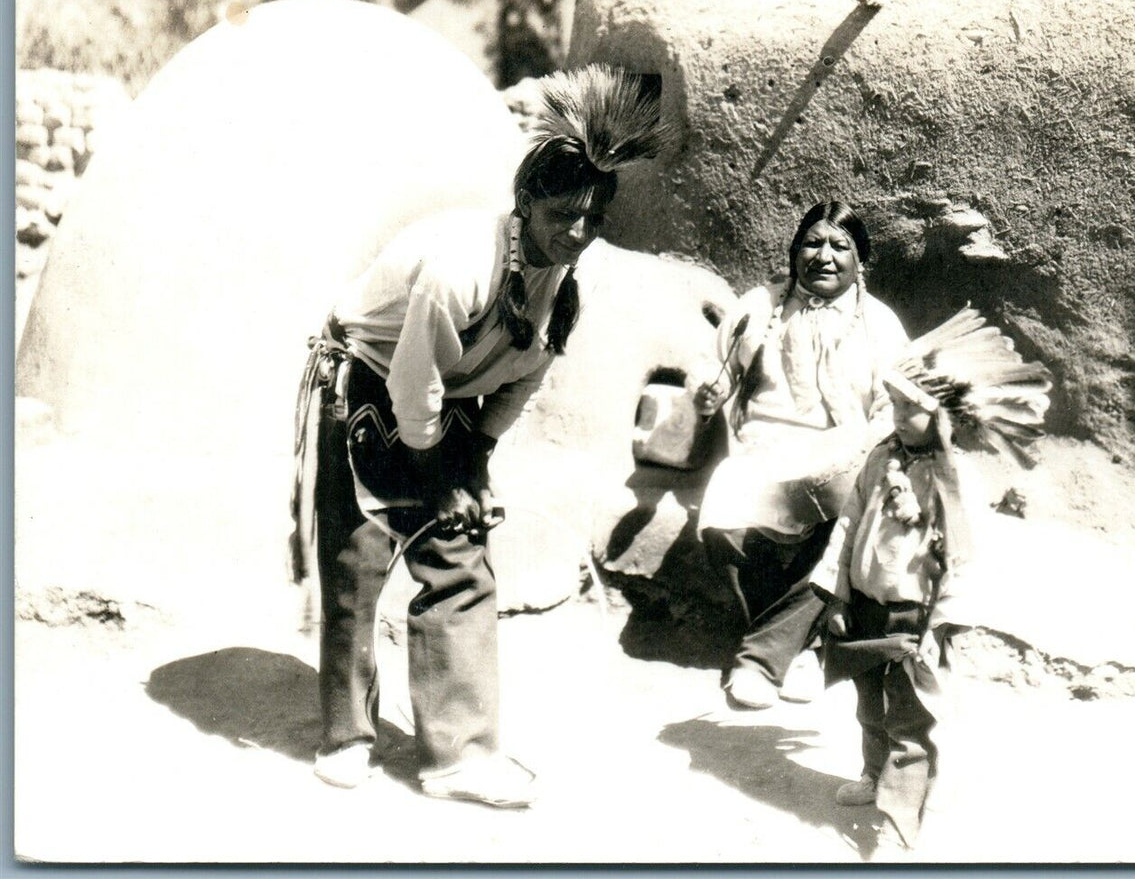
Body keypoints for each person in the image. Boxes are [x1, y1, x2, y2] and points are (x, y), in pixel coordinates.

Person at [289, 65, 670, 807]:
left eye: (594, 218)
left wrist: (474, 462)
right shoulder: (460, 264)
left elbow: (525, 375)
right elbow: (413, 384)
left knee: (461, 561)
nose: (578, 232)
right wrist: (440, 477)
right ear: (525, 202)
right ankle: (346, 737)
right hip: (368, 383)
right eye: (563, 214)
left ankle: (456, 757)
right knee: (359, 561)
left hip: (447, 403)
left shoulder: (569, 280)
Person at [808, 305, 1052, 853]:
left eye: (908, 407)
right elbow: (849, 524)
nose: (895, 416)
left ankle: (899, 821)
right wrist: (838, 595)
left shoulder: (957, 481)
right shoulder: (881, 460)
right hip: (866, 606)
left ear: (940, 415)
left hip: (916, 620)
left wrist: (941, 627)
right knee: (869, 706)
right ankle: (874, 775)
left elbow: (965, 560)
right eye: (891, 404)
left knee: (909, 720)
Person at [692, 201, 909, 711]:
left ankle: (761, 660)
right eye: (812, 243)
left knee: (843, 521)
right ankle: (803, 648)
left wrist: (859, 456)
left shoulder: (879, 324)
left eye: (840, 246)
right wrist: (708, 392)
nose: (824, 256)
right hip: (763, 450)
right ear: (794, 252)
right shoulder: (760, 305)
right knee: (723, 512)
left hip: (842, 452)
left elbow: (892, 407)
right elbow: (716, 366)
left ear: (860, 261)